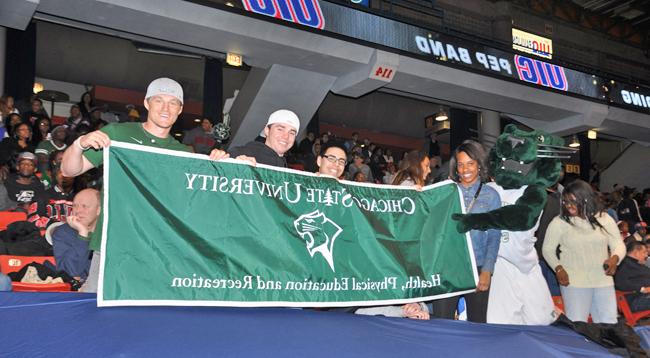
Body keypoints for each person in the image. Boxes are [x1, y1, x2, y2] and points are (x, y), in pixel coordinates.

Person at [61, 77, 226, 292]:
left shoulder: (184, 154)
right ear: (147, 103)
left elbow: (201, 201)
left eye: (173, 102)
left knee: (146, 319)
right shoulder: (118, 134)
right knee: (96, 314)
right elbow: (68, 170)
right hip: (114, 246)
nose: (166, 108)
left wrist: (230, 166)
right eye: (159, 100)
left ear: (180, 109)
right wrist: (79, 144)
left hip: (157, 252)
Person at [430, 140, 501, 323]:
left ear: (479, 164)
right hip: (448, 268)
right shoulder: (446, 191)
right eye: (460, 165)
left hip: (477, 268)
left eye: (470, 163)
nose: (465, 169)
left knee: (477, 325)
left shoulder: (491, 195)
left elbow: (494, 235)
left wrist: (487, 270)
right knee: (441, 323)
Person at [543, 179, 625, 323]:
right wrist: (558, 268)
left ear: (585, 198)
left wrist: (615, 258)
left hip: (603, 280)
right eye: (566, 201)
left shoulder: (604, 219)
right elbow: (547, 250)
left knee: (609, 323)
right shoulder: (559, 222)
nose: (568, 206)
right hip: (574, 282)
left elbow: (618, 243)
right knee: (577, 323)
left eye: (573, 201)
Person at [51, 188, 101, 281]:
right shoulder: (63, 233)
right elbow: (69, 273)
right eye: (75, 206)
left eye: (84, 206)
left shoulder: (109, 234)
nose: (78, 211)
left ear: (99, 210)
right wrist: (83, 235)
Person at [228, 109, 300, 168]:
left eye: (291, 133)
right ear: (267, 131)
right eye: (280, 129)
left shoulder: (287, 171)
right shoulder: (243, 153)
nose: (286, 136)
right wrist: (232, 165)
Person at [3, 152, 48, 227]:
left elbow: (42, 206)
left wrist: (30, 206)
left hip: (32, 221)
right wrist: (19, 206)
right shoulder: (7, 183)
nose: (26, 166)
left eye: (30, 164)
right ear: (18, 167)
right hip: (11, 220)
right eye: (23, 163)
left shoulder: (39, 186)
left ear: (35, 169)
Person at [614, 241, 650, 313]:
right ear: (636, 252)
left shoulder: (634, 264)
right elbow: (619, 282)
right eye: (644, 252)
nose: (647, 255)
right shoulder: (624, 265)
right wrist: (642, 289)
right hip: (635, 301)